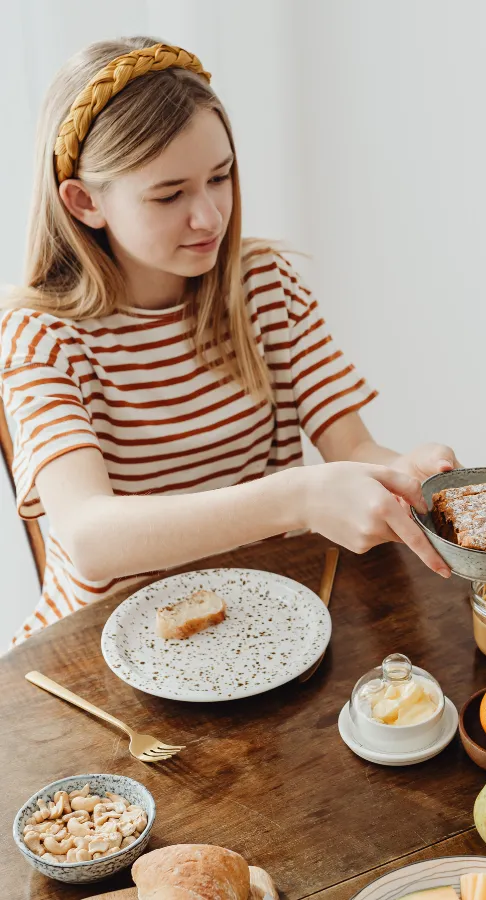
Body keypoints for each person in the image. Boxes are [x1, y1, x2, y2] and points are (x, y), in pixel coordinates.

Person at [0, 38, 458, 648]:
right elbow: (90, 538)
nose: (210, 216)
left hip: (257, 625)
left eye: (221, 177)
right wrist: (296, 498)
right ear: (85, 202)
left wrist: (403, 473)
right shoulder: (42, 337)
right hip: (100, 651)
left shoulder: (265, 288)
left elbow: (354, 447)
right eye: (170, 195)